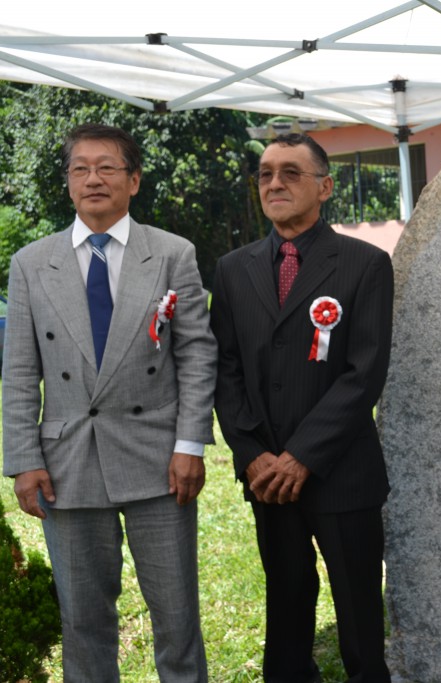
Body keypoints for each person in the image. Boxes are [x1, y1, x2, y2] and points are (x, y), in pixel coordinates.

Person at [1, 123, 215, 681]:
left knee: (177, 617)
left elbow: (196, 355)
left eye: (108, 167)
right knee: (84, 620)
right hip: (67, 463)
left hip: (159, 459)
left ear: (134, 180)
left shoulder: (172, 254)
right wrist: (24, 460)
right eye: (81, 168)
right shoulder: (30, 263)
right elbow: (20, 371)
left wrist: (190, 443)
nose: (93, 178)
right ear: (68, 183)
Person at [210, 133, 393, 683]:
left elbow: (365, 373)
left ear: (325, 187)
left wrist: (303, 456)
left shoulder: (364, 265)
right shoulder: (233, 269)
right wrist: (251, 455)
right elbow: (226, 368)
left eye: (291, 172)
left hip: (342, 472)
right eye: (266, 174)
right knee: (287, 609)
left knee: (359, 613)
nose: (274, 183)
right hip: (267, 477)